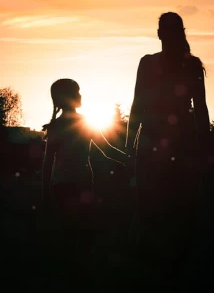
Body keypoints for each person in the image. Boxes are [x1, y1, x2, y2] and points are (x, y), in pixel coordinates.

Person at [126, 12, 210, 284]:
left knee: (153, 204)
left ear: (160, 33)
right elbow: (201, 110)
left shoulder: (152, 64)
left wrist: (129, 144)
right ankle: (173, 263)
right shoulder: (191, 65)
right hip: (177, 140)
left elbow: (138, 105)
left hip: (159, 140)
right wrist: (205, 147)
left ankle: (157, 263)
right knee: (178, 205)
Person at [40, 79, 127, 287]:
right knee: (82, 234)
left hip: (65, 187)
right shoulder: (78, 123)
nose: (81, 95)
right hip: (77, 187)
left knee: (72, 234)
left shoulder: (56, 126)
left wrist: (46, 192)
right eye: (77, 92)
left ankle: (75, 277)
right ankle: (80, 278)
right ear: (67, 97)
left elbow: (47, 165)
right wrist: (130, 160)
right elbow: (106, 150)